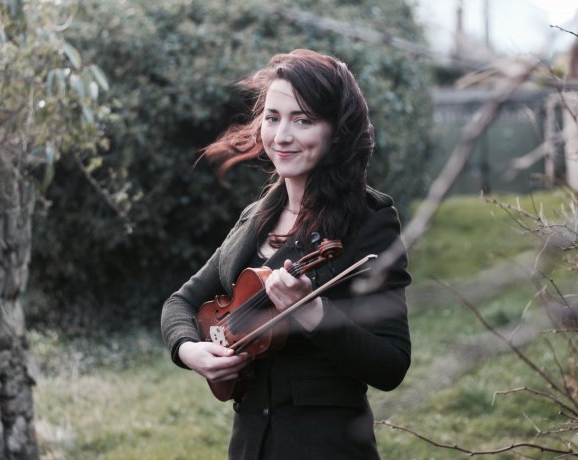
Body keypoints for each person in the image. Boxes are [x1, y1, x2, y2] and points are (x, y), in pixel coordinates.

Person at [161, 49, 411, 460]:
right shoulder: (256, 215)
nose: (281, 136)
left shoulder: (369, 221)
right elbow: (181, 302)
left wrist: (313, 314)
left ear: (337, 130)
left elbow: (391, 365)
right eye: (273, 118)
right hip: (248, 446)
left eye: (303, 120)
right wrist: (190, 351)